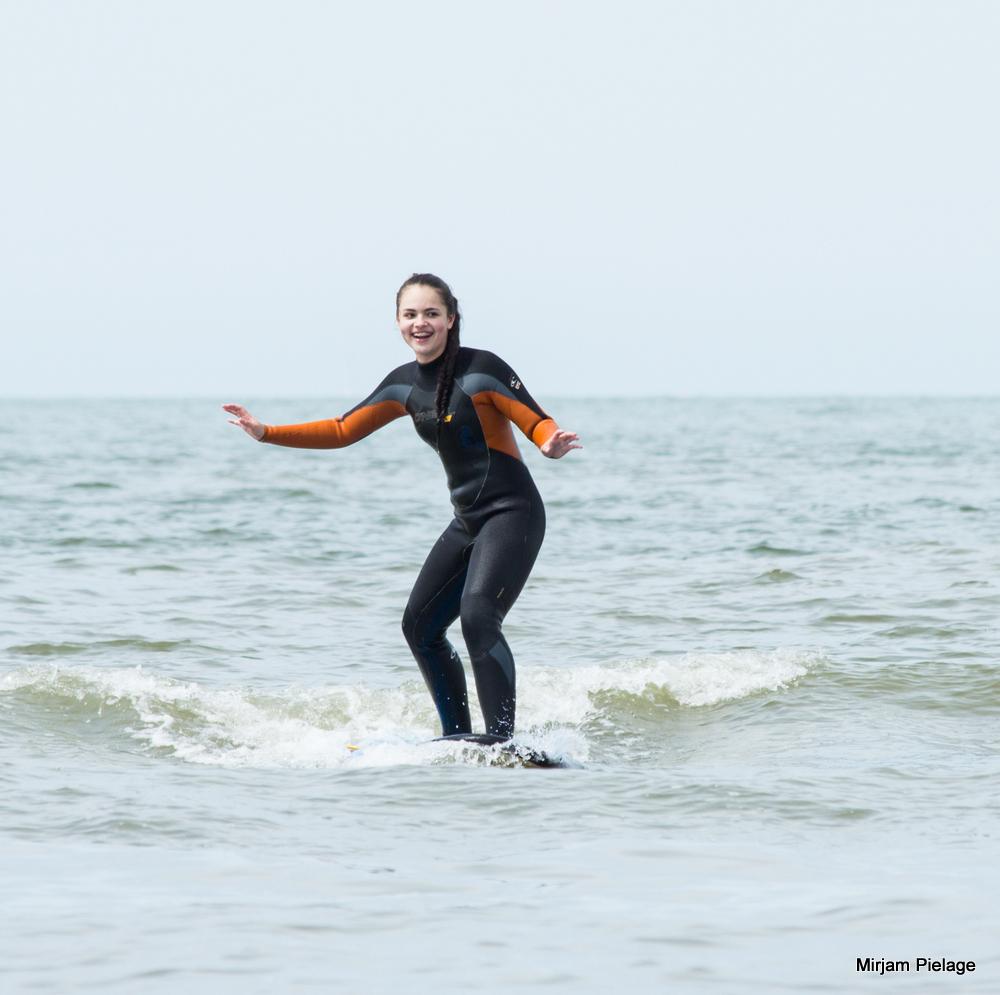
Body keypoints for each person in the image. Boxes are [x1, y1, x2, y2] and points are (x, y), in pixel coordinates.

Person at [223, 273, 580, 740]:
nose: (420, 323)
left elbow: (533, 418)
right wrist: (267, 432)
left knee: (477, 615)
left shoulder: (482, 368)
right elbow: (342, 429)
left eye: (431, 313)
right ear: (397, 322)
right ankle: (457, 738)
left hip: (514, 513)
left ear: (451, 319)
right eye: (410, 314)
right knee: (420, 626)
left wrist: (548, 442)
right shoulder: (403, 385)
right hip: (468, 520)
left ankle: (502, 740)